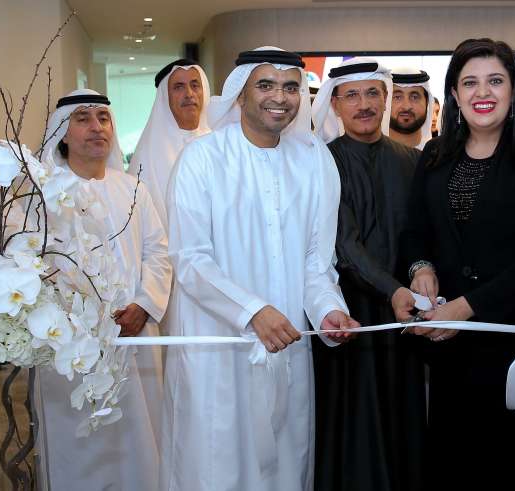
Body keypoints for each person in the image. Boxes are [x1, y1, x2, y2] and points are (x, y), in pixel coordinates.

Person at [161, 47, 358, 491]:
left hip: (286, 345)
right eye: (265, 85)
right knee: (217, 464)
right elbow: (190, 259)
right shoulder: (201, 159)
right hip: (219, 348)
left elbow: (316, 262)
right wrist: (252, 311)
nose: (280, 97)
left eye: (290, 87)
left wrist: (328, 310)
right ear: (241, 93)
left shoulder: (314, 160)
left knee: (286, 462)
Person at [398, 38, 515, 490]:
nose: (483, 92)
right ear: (454, 94)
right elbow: (415, 231)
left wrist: (466, 307)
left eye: (495, 81)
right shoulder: (435, 155)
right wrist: (421, 268)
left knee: (512, 467)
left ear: (514, 89)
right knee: (455, 463)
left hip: (513, 341)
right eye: (469, 82)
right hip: (449, 345)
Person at [36, 89, 172, 490]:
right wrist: (81, 318)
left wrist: (143, 305)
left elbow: (158, 252)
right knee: (79, 441)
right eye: (82, 118)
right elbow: (34, 265)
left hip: (135, 334)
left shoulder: (134, 189)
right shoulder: (41, 193)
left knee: (140, 437)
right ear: (62, 132)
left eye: (103, 118)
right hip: (71, 343)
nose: (96, 127)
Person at [309, 58, 426, 491]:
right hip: (348, 312)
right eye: (352, 95)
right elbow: (343, 244)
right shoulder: (322, 161)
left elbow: (423, 232)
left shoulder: (412, 160)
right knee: (355, 416)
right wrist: (392, 289)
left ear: (385, 99)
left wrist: (420, 272)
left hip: (406, 311)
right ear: (335, 105)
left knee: (404, 411)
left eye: (373, 93)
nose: (364, 104)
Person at [129, 59, 210, 231]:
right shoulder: (147, 156)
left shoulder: (219, 144)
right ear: (165, 97)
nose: (189, 94)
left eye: (195, 85)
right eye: (179, 87)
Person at [388, 67, 434, 150]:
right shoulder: (369, 155)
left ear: (427, 103)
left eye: (414, 97)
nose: (406, 106)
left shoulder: (440, 154)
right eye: (397, 97)